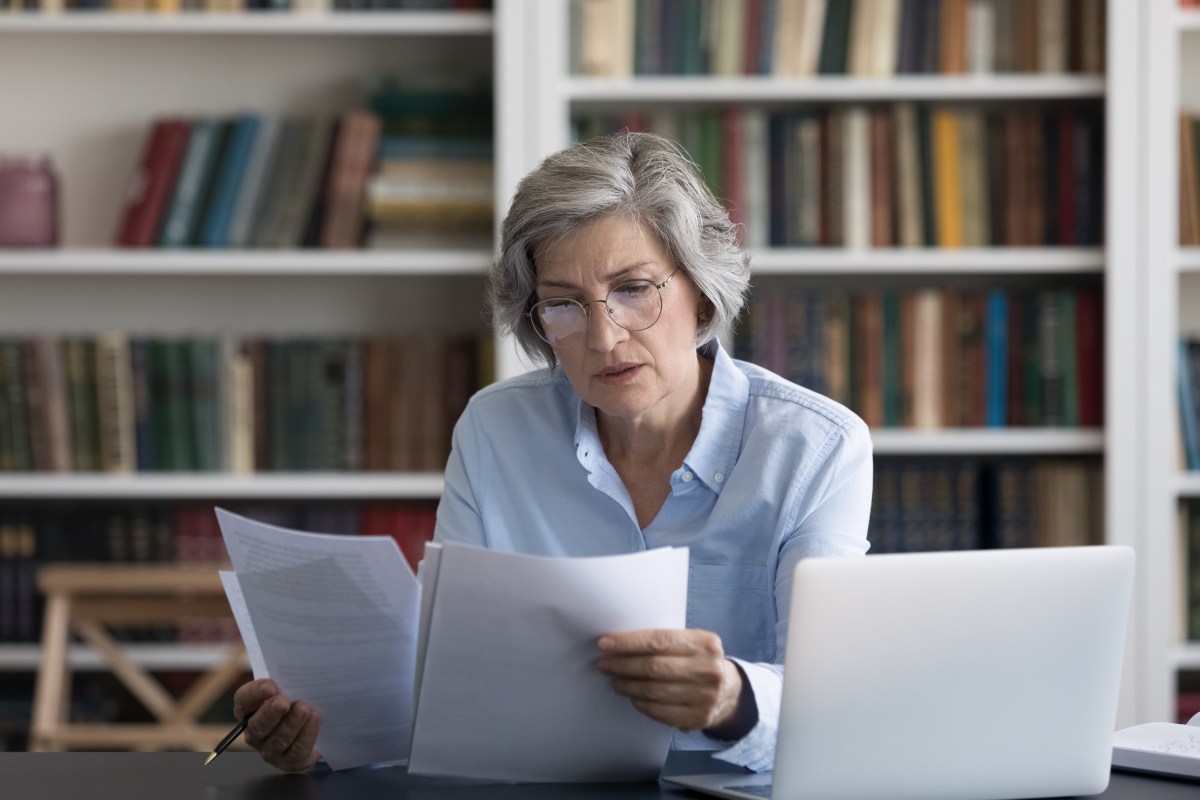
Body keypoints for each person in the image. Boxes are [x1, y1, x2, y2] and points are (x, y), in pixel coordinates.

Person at [233, 130, 873, 773]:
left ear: (702, 293)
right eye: (563, 304)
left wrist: (733, 698)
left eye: (633, 290)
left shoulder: (814, 448)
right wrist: (328, 737)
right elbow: (448, 688)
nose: (603, 336)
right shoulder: (495, 430)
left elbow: (838, 708)